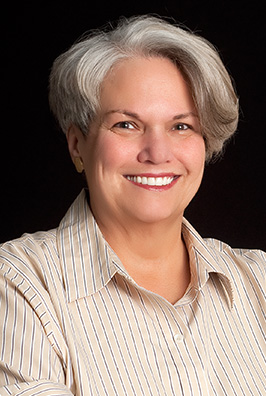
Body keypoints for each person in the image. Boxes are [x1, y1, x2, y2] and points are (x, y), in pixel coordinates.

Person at [0, 15, 265, 396]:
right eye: (126, 125)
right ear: (78, 145)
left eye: (181, 126)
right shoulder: (20, 285)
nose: (157, 153)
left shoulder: (260, 282)